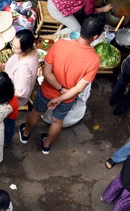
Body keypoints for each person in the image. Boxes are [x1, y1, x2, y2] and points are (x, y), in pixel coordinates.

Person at [20, 16, 104, 154]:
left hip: (47, 90)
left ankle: (25, 134)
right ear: (95, 37)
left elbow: (47, 73)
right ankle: (46, 146)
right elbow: (79, 88)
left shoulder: (60, 44)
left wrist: (59, 89)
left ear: (81, 29)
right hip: (67, 98)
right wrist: (60, 97)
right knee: (57, 122)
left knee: (36, 112)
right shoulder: (94, 60)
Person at [3, 29, 39, 109]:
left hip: (11, 100)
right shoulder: (32, 48)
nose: (12, 49)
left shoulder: (24, 69)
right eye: (13, 44)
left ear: (26, 49)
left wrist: (1, 91)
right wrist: (3, 66)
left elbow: (20, 93)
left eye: (16, 47)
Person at [47, 0, 111, 32]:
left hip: (53, 1)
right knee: (77, 29)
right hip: (56, 9)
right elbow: (88, 11)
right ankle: (58, 40)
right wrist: (103, 9)